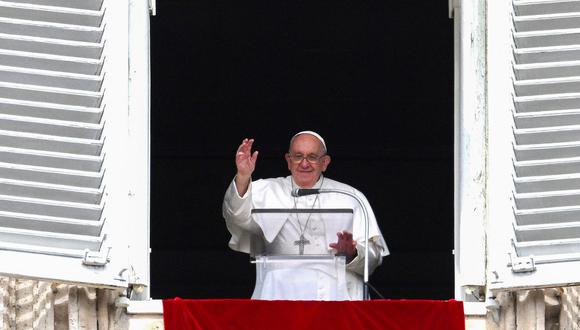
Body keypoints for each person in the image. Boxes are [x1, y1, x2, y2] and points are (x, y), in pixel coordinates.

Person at [222, 131, 389, 300]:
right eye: (298, 156)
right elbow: (236, 218)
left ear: (324, 162)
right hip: (280, 293)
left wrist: (352, 253)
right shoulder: (265, 190)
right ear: (288, 160)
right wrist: (243, 176)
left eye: (312, 157)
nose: (304, 163)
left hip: (335, 294)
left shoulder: (351, 197)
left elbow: (374, 258)